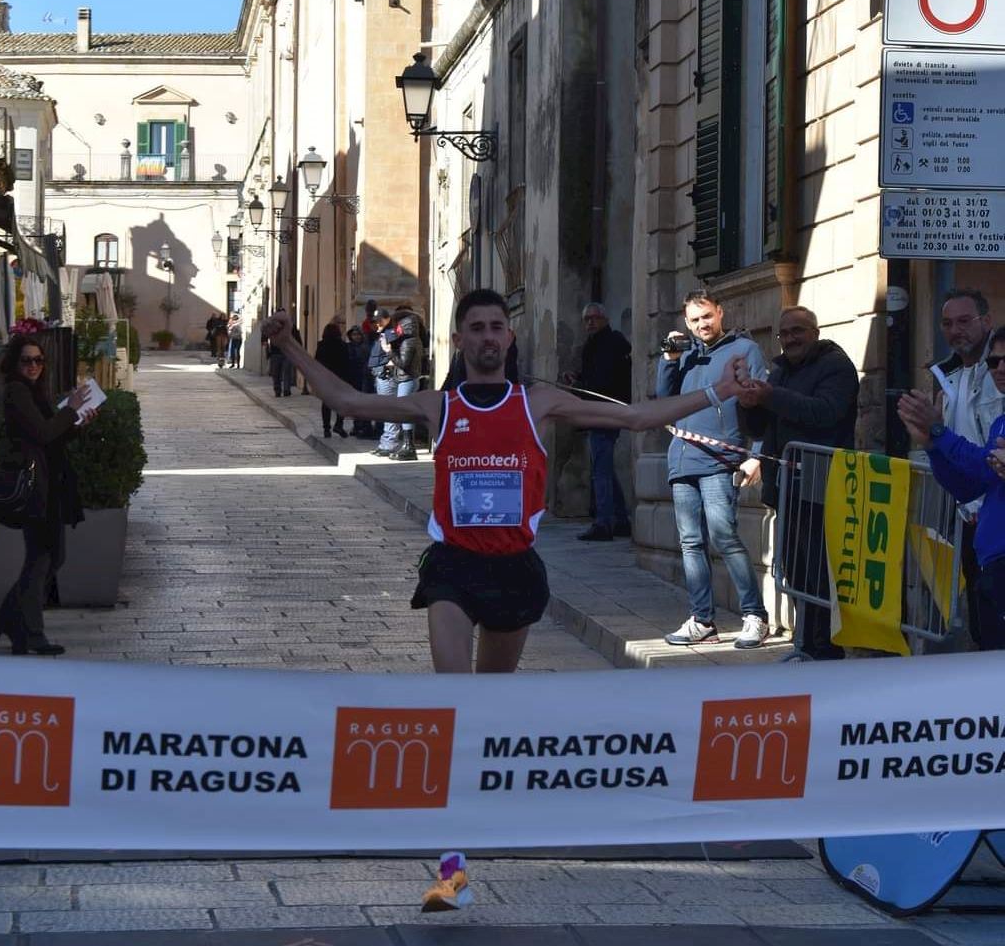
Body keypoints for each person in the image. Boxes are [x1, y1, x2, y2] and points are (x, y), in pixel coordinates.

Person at [263, 289, 749, 911]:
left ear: (509, 340)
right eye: (477, 328)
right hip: (453, 570)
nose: (489, 337)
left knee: (482, 717)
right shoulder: (439, 406)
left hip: (515, 572)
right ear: (460, 341)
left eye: (498, 327)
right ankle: (452, 868)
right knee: (452, 707)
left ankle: (478, 812)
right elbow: (347, 399)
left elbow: (634, 418)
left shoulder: (537, 404)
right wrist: (289, 346)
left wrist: (720, 394)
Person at [737, 306, 859, 660]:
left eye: (798, 331)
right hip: (787, 489)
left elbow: (824, 413)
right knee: (794, 572)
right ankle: (805, 644)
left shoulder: (836, 366)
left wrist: (769, 396)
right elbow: (759, 427)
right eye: (784, 333)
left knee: (818, 575)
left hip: (821, 487)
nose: (790, 339)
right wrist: (747, 403)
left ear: (815, 332)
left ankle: (822, 650)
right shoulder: (780, 371)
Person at [658, 288, 771, 650]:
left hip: (720, 462)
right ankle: (702, 620)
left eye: (707, 316)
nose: (702, 325)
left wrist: (756, 454)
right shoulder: (685, 355)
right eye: (694, 320)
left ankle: (755, 616)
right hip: (681, 461)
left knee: (725, 537)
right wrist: (669, 360)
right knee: (691, 544)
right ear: (686, 322)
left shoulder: (745, 350)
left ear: (720, 312)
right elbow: (664, 400)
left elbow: (761, 403)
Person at [0, 335, 95, 656]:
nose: (33, 366)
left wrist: (78, 420)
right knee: (42, 559)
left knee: (49, 557)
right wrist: (71, 408)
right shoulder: (17, 391)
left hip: (49, 484)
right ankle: (30, 632)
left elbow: (52, 436)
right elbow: (44, 433)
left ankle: (10, 621)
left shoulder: (34, 391)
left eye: (38, 360)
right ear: (15, 363)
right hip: (37, 489)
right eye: (27, 360)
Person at [899, 326, 1005, 650]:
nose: (1000, 369)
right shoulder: (1002, 420)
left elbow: (979, 464)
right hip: (991, 560)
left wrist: (940, 431)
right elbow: (970, 484)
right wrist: (932, 445)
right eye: (994, 361)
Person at [925, 288, 1002, 646]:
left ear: (986, 321)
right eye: (947, 323)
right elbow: (955, 448)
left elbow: (989, 458)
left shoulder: (997, 370)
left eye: (964, 321)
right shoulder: (946, 375)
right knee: (982, 624)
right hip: (972, 518)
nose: (955, 330)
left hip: (994, 512)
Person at [566, 303, 633, 541]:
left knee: (600, 470)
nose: (590, 323)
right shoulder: (592, 346)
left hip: (606, 411)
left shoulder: (612, 343)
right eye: (586, 319)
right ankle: (621, 520)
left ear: (605, 319)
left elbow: (605, 381)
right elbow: (592, 378)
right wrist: (578, 381)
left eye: (594, 318)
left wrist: (582, 387)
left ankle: (604, 522)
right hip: (597, 411)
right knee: (603, 467)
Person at [385, 307, 424, 461]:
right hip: (406, 379)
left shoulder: (409, 342)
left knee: (406, 413)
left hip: (407, 379)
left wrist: (389, 352)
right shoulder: (411, 340)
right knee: (404, 413)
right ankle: (407, 445)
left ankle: (409, 447)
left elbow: (403, 363)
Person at [367, 308, 398, 455]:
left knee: (389, 410)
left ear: (387, 319)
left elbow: (393, 354)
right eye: (375, 321)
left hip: (386, 376)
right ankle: (385, 442)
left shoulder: (390, 334)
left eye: (379, 320)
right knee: (385, 410)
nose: (377, 323)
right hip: (380, 375)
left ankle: (389, 444)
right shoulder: (382, 334)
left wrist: (388, 365)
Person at [314, 323, 350, 438]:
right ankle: (339, 424)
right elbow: (347, 362)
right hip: (339, 377)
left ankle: (326, 429)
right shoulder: (343, 345)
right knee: (342, 402)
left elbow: (317, 361)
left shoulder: (321, 345)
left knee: (326, 404)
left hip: (326, 378)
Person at [345, 326, 373, 437]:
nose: (356, 337)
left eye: (358, 334)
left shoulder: (365, 347)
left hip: (364, 378)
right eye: (354, 335)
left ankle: (365, 426)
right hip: (353, 378)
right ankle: (357, 425)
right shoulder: (348, 347)